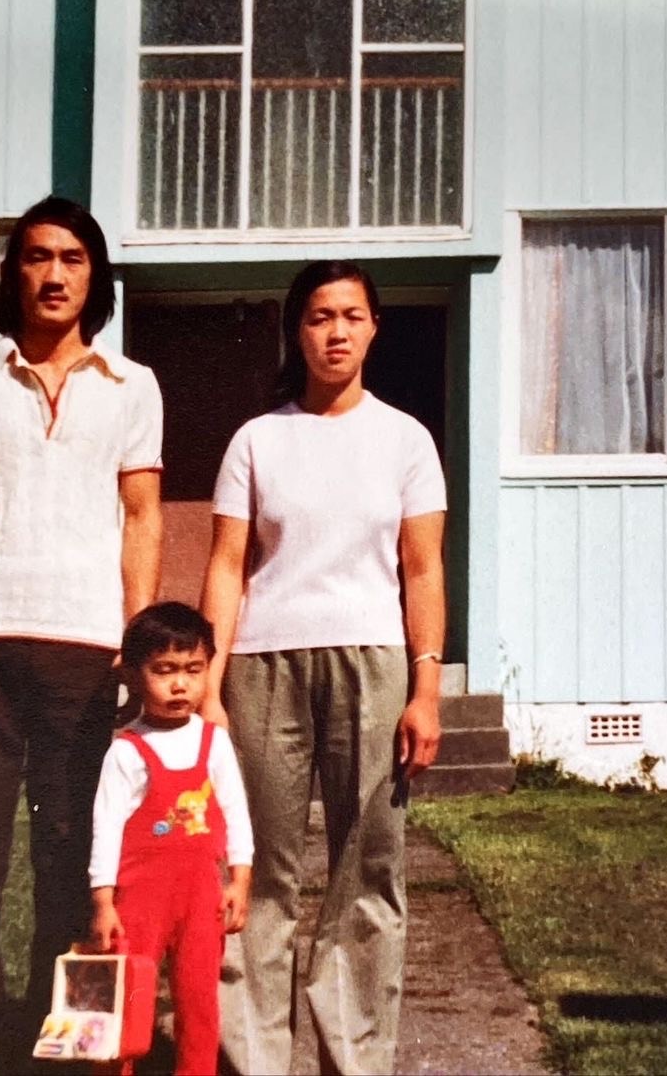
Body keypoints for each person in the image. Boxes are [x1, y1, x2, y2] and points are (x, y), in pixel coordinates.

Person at [0, 197, 164, 1076]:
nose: (54, 275)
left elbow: (141, 520)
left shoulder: (133, 388)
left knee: (74, 860)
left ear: (97, 277)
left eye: (74, 260)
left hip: (86, 654)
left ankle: (72, 1049)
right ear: (13, 273)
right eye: (38, 258)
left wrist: (135, 641)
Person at [200, 261, 447, 1075]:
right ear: (295, 330)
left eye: (350, 315)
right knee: (255, 871)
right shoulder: (257, 439)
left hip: (373, 665)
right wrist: (208, 688)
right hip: (261, 664)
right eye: (317, 316)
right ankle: (255, 1059)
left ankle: (354, 1058)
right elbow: (228, 565)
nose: (335, 331)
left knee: (365, 869)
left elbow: (421, 570)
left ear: (375, 327)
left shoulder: (406, 439)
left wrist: (426, 689)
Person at [87, 603, 254, 1076]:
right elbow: (107, 828)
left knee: (199, 1003)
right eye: (164, 671)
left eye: (192, 670)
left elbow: (236, 813)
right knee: (126, 1001)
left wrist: (240, 880)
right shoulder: (126, 751)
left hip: (201, 898)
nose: (180, 684)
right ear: (136, 677)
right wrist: (104, 901)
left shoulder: (213, 741)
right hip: (138, 900)